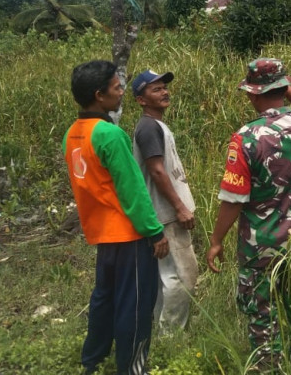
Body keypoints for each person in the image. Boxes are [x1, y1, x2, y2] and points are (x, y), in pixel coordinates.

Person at [206, 58, 291, 370]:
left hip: (261, 247)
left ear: (253, 94)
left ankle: (269, 368)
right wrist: (285, 87)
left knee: (263, 319)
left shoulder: (245, 138)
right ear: (283, 89)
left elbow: (233, 199)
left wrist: (216, 239)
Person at [62, 60, 169, 375]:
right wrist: (155, 232)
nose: (122, 92)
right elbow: (133, 190)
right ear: (99, 95)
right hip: (129, 236)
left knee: (104, 300)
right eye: (116, 87)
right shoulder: (110, 134)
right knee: (134, 307)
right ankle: (133, 368)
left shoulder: (74, 133)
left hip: (101, 233)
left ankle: (92, 360)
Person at [131, 69, 198, 331]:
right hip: (167, 213)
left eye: (164, 87)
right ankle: (171, 335)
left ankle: (161, 333)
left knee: (165, 277)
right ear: (141, 99)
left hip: (164, 212)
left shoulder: (153, 125)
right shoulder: (148, 127)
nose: (164, 92)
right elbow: (157, 171)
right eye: (155, 89)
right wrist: (179, 207)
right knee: (182, 277)